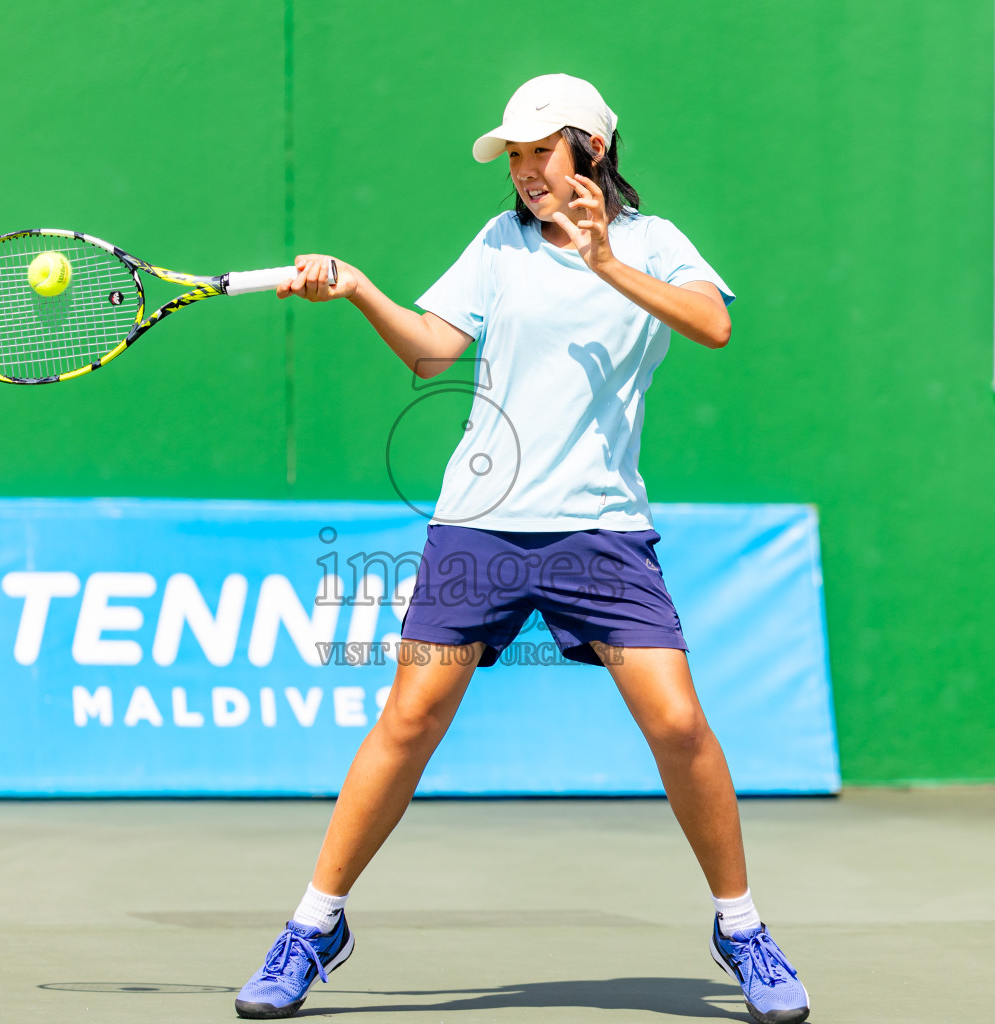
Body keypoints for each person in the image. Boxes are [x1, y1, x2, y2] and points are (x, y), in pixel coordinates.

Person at [235, 73, 810, 1024]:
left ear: (591, 148)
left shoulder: (658, 244)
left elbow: (713, 326)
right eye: (514, 155)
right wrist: (360, 288)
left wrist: (605, 261)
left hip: (602, 530)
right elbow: (431, 352)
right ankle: (313, 924)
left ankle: (740, 927)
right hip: (481, 524)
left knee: (675, 724)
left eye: (540, 151)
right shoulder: (498, 246)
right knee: (410, 718)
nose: (525, 171)